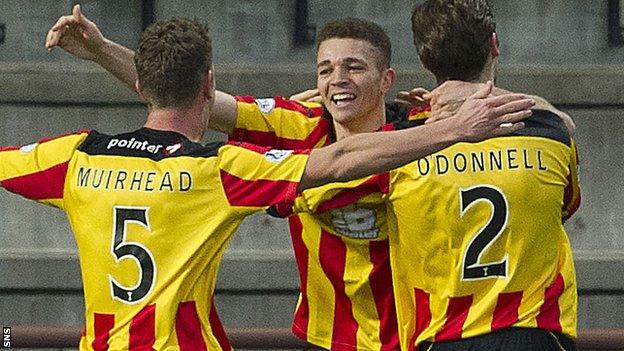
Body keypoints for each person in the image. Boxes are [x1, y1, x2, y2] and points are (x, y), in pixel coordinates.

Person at [5, 15, 534, 351]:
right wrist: (102, 51)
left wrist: (475, 103)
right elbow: (187, 96)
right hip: (325, 338)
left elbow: (182, 95)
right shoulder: (293, 124)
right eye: (325, 69)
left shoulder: (424, 134)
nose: (337, 81)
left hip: (412, 336)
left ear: (387, 80)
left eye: (354, 68)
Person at [291, 1, 581, 350]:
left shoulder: (401, 147)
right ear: (494, 45)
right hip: (537, 333)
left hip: (442, 335)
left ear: (425, 61)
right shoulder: (551, 133)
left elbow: (329, 173)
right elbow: (567, 203)